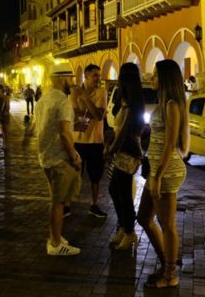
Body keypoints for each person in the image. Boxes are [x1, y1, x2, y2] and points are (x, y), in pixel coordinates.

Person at [137, 60, 189, 289]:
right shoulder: (163, 102)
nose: (152, 78)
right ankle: (166, 263)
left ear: (166, 78)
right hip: (157, 169)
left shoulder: (171, 104)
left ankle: (170, 274)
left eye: (156, 75)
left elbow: (170, 145)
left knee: (167, 224)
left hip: (166, 171)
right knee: (144, 217)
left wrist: (157, 175)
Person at [35, 62, 82, 256]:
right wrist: (74, 155)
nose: (72, 82)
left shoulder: (44, 99)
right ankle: (55, 243)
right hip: (60, 158)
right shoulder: (63, 100)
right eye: (70, 78)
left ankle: (54, 236)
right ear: (62, 79)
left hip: (45, 156)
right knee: (59, 202)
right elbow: (63, 133)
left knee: (56, 200)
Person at [106, 63, 145, 251]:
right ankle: (124, 227)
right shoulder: (126, 100)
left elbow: (123, 131)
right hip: (123, 149)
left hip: (127, 149)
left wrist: (111, 148)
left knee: (123, 192)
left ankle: (129, 232)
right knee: (115, 189)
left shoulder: (132, 103)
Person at [70, 64, 108, 218]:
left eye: (99, 75)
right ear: (86, 76)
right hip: (78, 140)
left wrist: (85, 99)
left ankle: (94, 204)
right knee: (73, 174)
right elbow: (76, 116)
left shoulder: (102, 92)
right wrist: (90, 110)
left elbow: (99, 115)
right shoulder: (73, 92)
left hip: (96, 141)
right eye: (95, 75)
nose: (98, 78)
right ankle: (67, 204)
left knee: (95, 176)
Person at [0, 84, 11, 150]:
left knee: (5, 130)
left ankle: (6, 144)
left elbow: (7, 107)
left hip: (4, 115)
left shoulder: (5, 97)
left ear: (1, 89)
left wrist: (5, 112)